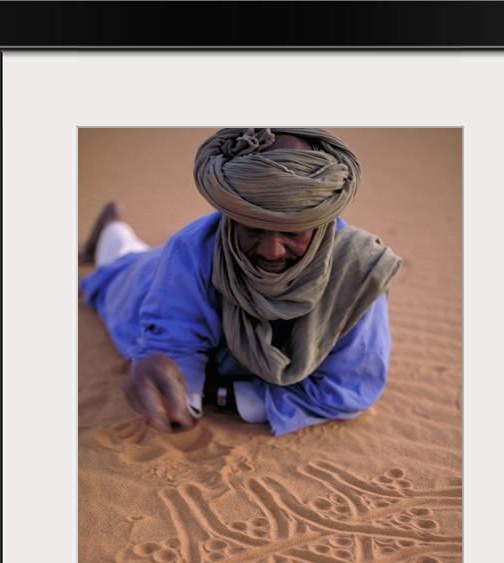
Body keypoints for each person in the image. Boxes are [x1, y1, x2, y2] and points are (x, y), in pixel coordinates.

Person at [79, 128, 402, 437]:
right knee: (118, 270)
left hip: (166, 268)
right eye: (253, 229)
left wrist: (223, 394)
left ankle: (111, 231)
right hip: (147, 281)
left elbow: (349, 389)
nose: (271, 251)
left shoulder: (358, 273)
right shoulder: (192, 250)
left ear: (321, 223)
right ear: (231, 219)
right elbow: (173, 351)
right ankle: (109, 229)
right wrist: (174, 384)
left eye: (292, 232)